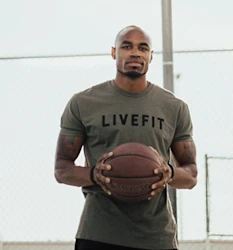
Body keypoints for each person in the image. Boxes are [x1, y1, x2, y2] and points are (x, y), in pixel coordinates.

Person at [54, 25, 198, 250]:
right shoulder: (83, 103)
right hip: (99, 233)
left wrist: (169, 173)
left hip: (157, 236)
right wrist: (94, 174)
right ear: (114, 52)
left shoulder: (174, 107)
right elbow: (62, 169)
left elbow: (191, 174)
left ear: (151, 56)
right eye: (127, 46)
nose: (135, 53)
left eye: (143, 48)